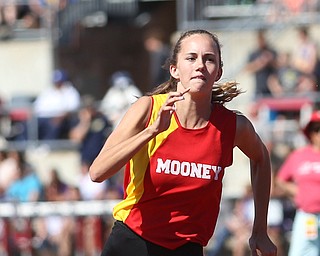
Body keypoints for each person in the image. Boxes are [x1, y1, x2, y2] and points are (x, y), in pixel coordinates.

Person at [89, 29, 277, 256]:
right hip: (133, 242)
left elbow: (261, 158)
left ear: (218, 72)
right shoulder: (148, 109)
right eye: (191, 58)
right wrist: (151, 131)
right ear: (174, 70)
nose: (200, 65)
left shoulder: (233, 126)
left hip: (187, 248)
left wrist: (260, 230)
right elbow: (97, 172)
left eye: (209, 59)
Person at [276, 110, 320, 256]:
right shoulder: (299, 156)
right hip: (307, 216)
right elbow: (281, 179)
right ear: (311, 133)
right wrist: (298, 192)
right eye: (316, 129)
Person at [33, 69, 81, 140]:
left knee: (53, 124)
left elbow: (73, 108)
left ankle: (49, 146)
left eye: (60, 82)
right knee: (30, 124)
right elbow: (37, 107)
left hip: (62, 119)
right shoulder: (48, 91)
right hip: (43, 117)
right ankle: (26, 146)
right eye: (56, 82)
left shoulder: (71, 92)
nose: (57, 84)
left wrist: (60, 117)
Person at [244, 29, 277, 99]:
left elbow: (279, 66)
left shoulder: (272, 52)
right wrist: (260, 63)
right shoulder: (254, 54)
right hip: (259, 89)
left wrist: (270, 61)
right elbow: (248, 69)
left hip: (272, 89)